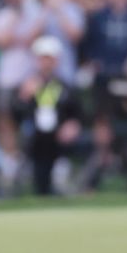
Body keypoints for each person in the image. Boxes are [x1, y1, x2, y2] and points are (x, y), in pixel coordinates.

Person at [14, 36, 83, 196]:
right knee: (39, 179)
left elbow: (77, 113)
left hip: (59, 142)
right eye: (42, 59)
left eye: (49, 59)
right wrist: (24, 97)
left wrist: (72, 125)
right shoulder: (28, 85)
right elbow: (16, 113)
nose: (46, 63)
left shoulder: (64, 86)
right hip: (36, 142)